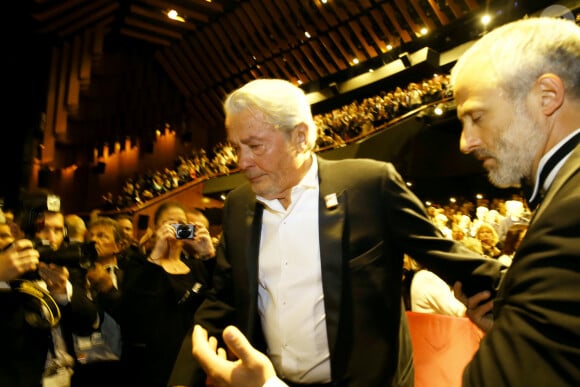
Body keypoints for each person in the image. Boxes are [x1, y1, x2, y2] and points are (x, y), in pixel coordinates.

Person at [169, 78, 504, 386]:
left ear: (299, 137)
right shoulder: (239, 204)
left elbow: (447, 257)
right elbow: (224, 297)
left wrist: (529, 294)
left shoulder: (370, 185)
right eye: (236, 147)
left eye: (255, 146)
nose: (241, 162)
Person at [448, 16, 580, 386]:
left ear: (547, 97)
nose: (466, 142)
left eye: (476, 116)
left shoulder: (571, 210)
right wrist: (516, 326)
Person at [118, 201, 215, 386]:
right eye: (169, 222)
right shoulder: (139, 264)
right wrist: (157, 253)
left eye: (181, 222)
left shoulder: (197, 267)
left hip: (192, 361)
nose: (175, 227)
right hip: (151, 366)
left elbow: (221, 296)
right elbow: (133, 308)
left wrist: (208, 255)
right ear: (155, 228)